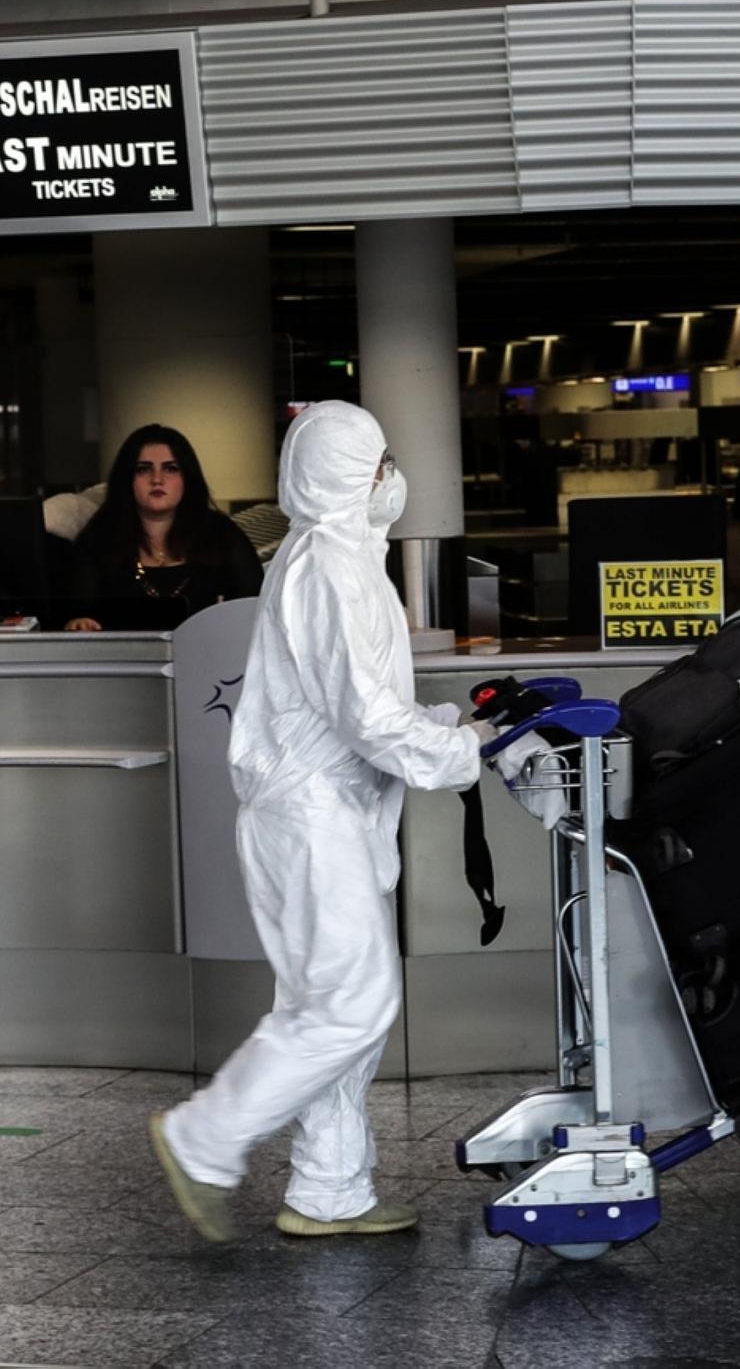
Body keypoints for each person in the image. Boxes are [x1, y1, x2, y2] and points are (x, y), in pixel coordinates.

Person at [149, 401, 494, 1242]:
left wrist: (451, 729)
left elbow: (349, 706)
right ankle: (202, 1139)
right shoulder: (332, 568)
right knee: (352, 1001)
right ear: (352, 477)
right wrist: (458, 752)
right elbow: (368, 718)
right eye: (378, 465)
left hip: (319, 810)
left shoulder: (324, 555)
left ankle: (330, 1188)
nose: (390, 481)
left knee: (328, 1003)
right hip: (313, 817)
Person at [64, 425, 262, 631]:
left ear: (187, 478)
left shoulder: (221, 534)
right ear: (127, 479)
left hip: (206, 657)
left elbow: (253, 607)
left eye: (170, 468)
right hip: (122, 659)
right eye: (143, 469)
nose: (157, 480)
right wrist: (79, 622)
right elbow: (76, 612)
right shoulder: (98, 539)